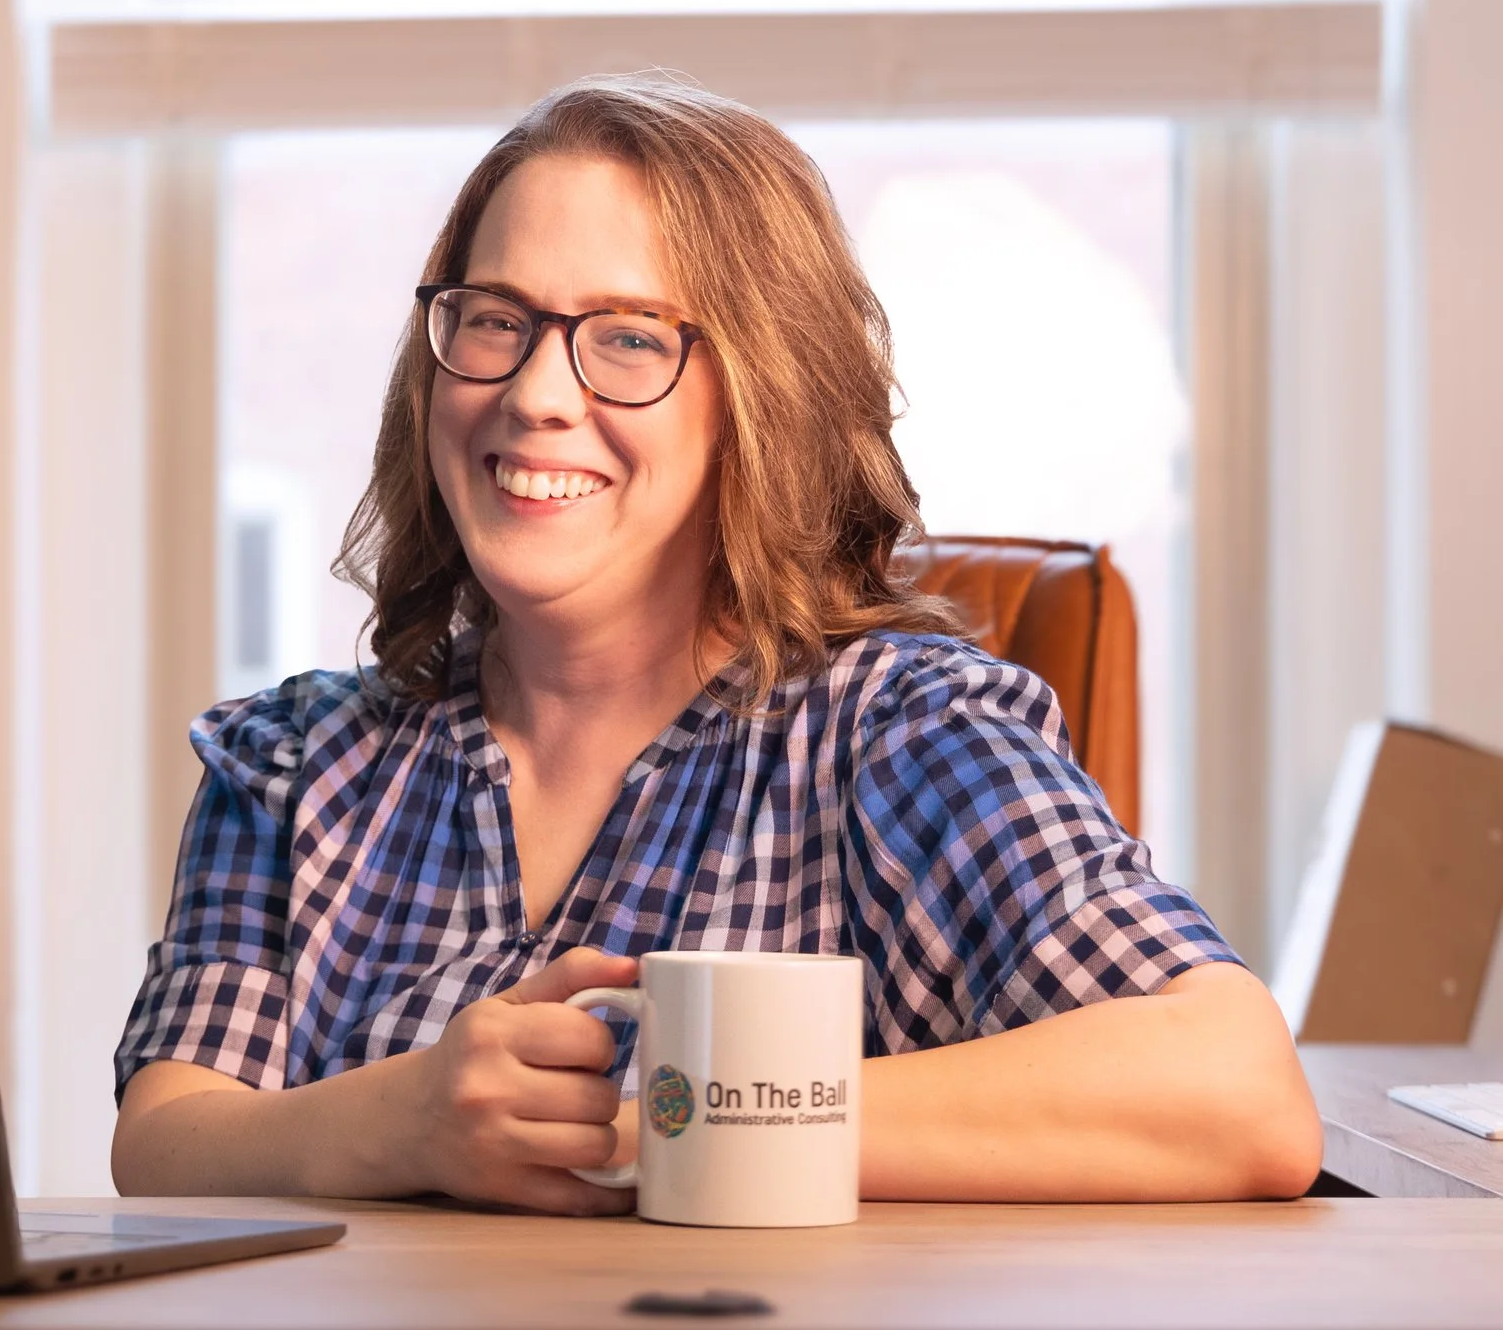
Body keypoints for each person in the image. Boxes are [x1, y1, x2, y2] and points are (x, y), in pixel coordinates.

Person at [109, 75, 1321, 1213]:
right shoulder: (290, 759)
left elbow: (1234, 1090)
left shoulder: (899, 732)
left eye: (628, 337)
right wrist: (412, 1118)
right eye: (494, 320)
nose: (535, 391)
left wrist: (659, 1122)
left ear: (761, 395)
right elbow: (166, 1139)